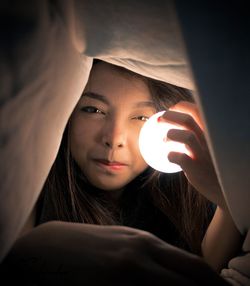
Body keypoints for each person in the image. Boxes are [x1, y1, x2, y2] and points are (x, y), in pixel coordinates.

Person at [3, 60, 240, 284]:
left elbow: (204, 274)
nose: (114, 138)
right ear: (67, 114)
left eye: (141, 117)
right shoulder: (30, 182)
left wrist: (227, 201)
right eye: (93, 110)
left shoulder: (180, 194)